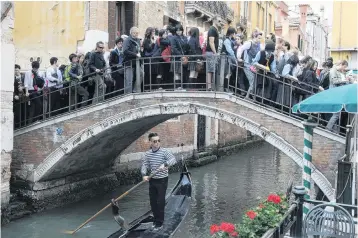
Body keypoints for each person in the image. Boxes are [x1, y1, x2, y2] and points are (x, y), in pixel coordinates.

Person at [141, 132, 177, 231]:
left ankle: (159, 223)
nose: (157, 143)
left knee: (160, 202)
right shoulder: (148, 154)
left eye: (158, 141)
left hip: (162, 180)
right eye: (155, 141)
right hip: (152, 180)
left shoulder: (164, 151)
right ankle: (155, 220)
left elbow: (173, 160)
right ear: (150, 142)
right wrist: (144, 175)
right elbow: (145, 165)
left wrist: (165, 164)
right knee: (153, 202)